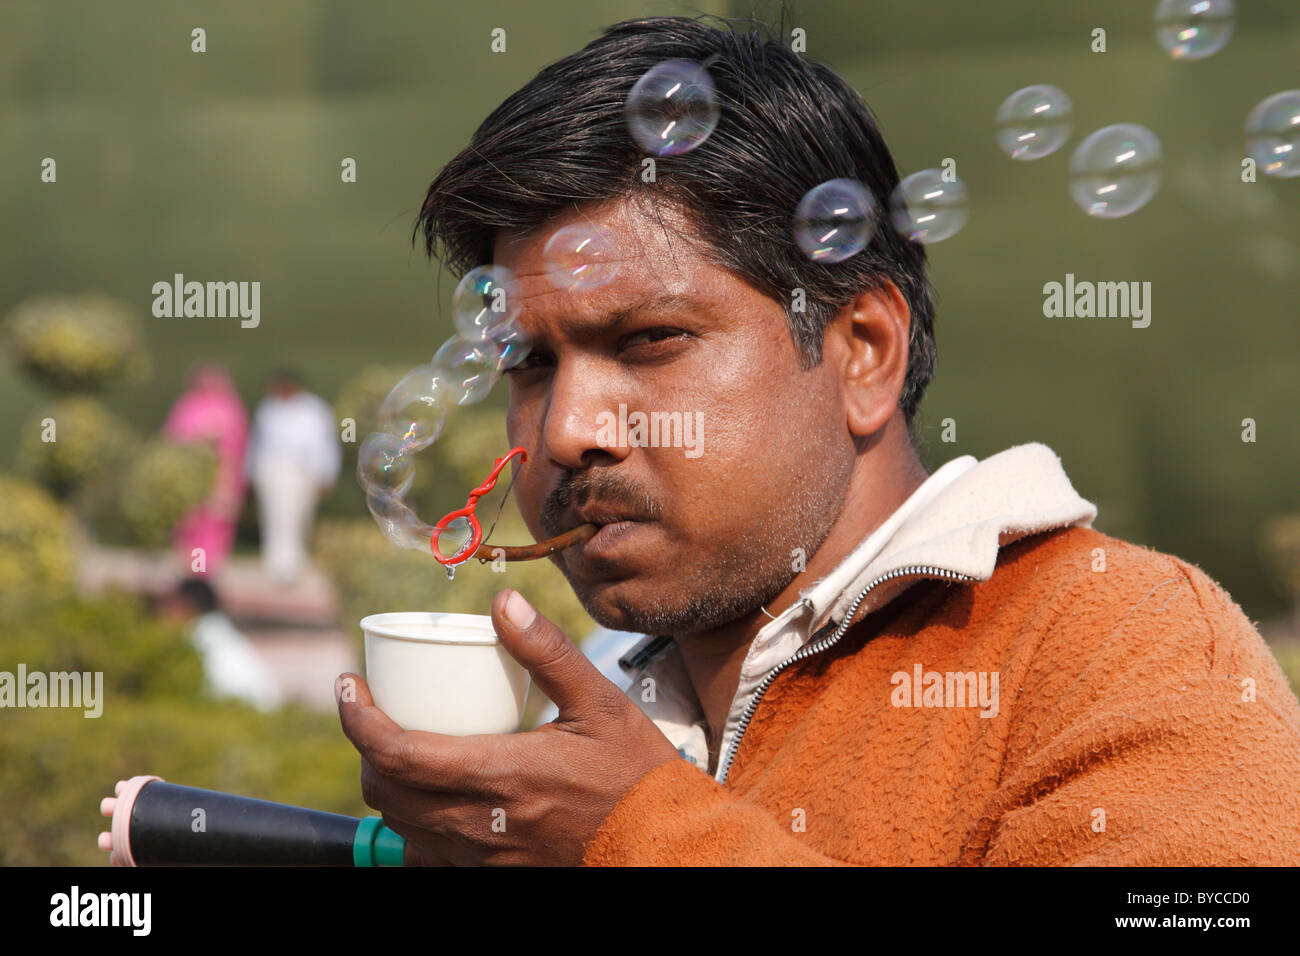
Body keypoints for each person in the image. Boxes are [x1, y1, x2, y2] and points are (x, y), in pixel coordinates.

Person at [336, 16, 1300, 865]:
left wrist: (638, 836)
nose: (570, 429)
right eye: (530, 364)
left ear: (865, 351)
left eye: (650, 341)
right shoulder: (603, 717)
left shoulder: (1130, 649)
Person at [245, 370, 341, 583]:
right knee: (276, 518)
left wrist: (326, 473)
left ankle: (294, 564)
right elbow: (258, 444)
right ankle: (279, 567)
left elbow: (324, 445)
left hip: (303, 472)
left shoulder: (314, 410)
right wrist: (251, 473)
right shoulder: (268, 409)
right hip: (274, 471)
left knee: (299, 519)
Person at [162, 363, 249, 574]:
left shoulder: (230, 408)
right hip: (190, 476)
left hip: (221, 475)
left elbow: (237, 444)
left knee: (215, 524)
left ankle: (206, 571)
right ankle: (193, 570)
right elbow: (174, 437)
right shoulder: (187, 406)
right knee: (191, 525)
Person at [160, 578, 283, 712]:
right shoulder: (219, 633)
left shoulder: (196, 638)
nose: (165, 613)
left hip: (242, 714)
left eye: (171, 605)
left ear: (186, 604)